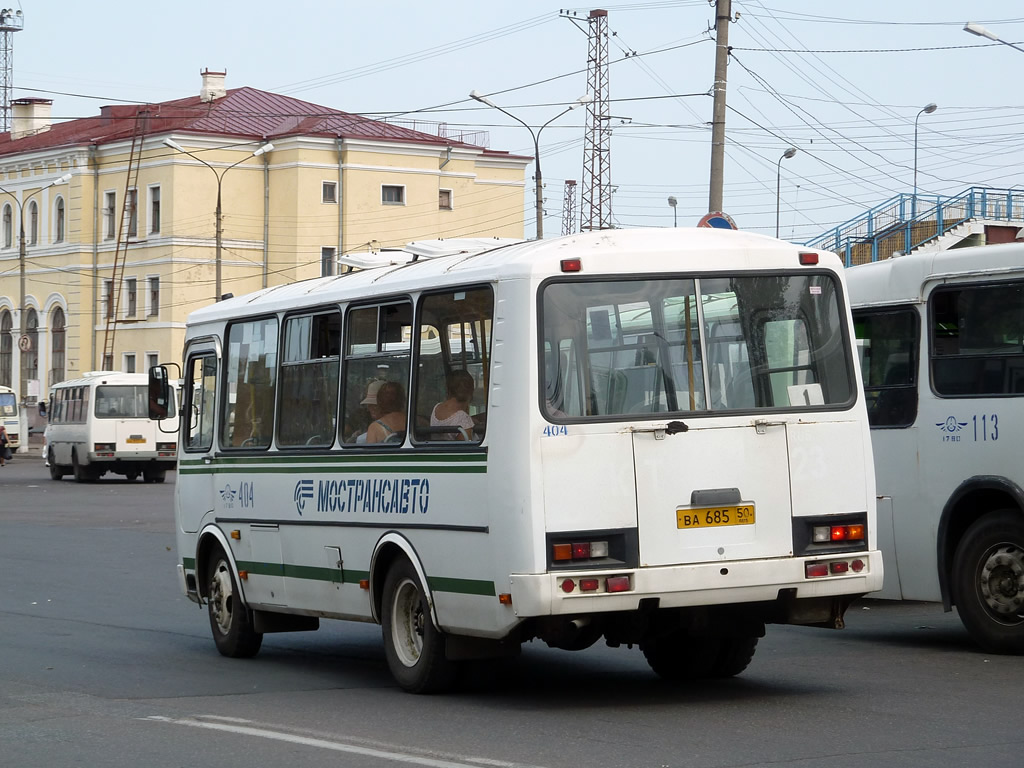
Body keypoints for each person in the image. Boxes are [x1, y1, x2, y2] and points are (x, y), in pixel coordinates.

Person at [430, 370, 475, 440]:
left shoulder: (437, 408)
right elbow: (466, 448)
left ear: (448, 389)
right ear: (470, 391)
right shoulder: (463, 419)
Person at [351, 379, 384, 444]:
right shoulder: (363, 418)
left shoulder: (374, 428)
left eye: (374, 405)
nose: (369, 409)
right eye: (369, 405)